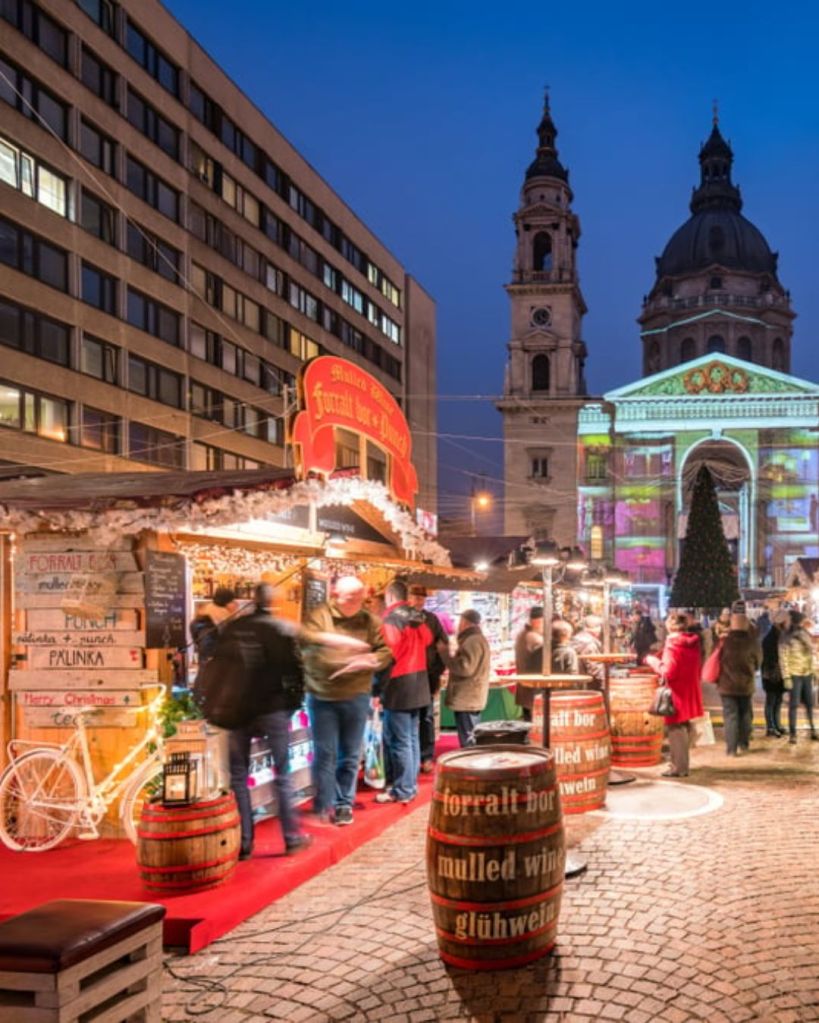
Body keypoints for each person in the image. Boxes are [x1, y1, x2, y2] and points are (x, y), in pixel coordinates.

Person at [218, 583, 311, 859]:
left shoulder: (232, 628)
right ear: (273, 602)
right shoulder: (280, 630)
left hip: (238, 712)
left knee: (238, 776)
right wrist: (291, 706)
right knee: (282, 774)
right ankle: (291, 838)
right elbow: (297, 671)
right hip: (273, 709)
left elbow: (216, 668)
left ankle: (244, 843)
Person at [301, 576, 392, 825]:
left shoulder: (370, 620)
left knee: (350, 754)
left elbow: (385, 650)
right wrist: (332, 641)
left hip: (356, 694)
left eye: (359, 597)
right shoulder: (319, 616)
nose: (355, 602)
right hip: (322, 694)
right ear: (335, 593)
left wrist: (371, 660)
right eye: (350, 597)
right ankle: (322, 803)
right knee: (325, 753)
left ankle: (343, 804)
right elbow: (304, 638)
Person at [374, 579, 433, 804]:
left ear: (390, 596)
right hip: (419, 682)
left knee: (399, 741)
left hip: (398, 684)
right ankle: (411, 784)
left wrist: (377, 689)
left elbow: (388, 655)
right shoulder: (418, 617)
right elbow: (428, 640)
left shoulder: (391, 618)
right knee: (410, 738)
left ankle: (403, 789)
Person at [646, 612, 704, 776]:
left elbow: (668, 671)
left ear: (670, 625)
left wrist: (652, 661)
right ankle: (681, 765)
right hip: (689, 688)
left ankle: (679, 768)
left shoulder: (673, 643)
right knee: (683, 727)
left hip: (675, 691)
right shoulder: (691, 641)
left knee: (675, 729)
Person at [408, 584, 448, 773]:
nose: (418, 601)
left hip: (426, 676)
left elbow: (443, 645)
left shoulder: (431, 619)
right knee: (407, 719)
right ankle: (409, 759)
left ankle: (425, 757)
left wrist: (437, 673)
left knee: (426, 718)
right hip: (406, 677)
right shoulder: (400, 619)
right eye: (415, 597)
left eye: (421, 598)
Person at [441, 609, 491, 747]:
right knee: (470, 735)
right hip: (470, 697)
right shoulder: (474, 639)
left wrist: (446, 656)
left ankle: (471, 765)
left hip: (467, 697)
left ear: (465, 622)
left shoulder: (472, 641)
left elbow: (465, 668)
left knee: (469, 739)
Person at [715, 612, 761, 756]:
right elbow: (758, 663)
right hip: (746, 685)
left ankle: (731, 749)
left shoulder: (724, 641)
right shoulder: (752, 643)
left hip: (726, 686)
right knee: (746, 714)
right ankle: (744, 744)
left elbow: (715, 660)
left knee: (730, 716)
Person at [190, 587, 239, 697]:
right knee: (208, 683)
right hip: (213, 658)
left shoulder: (205, 613)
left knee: (203, 678)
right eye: (231, 600)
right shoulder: (221, 616)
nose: (234, 603)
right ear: (226, 602)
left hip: (207, 657)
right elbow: (230, 635)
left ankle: (199, 701)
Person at [779, 610, 817, 745]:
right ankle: (793, 734)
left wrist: (815, 672)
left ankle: (813, 730)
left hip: (806, 674)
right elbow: (783, 658)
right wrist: (786, 677)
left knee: (809, 704)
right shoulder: (786, 637)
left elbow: (811, 654)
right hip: (794, 675)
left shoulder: (805, 635)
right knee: (793, 705)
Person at [514, 606, 545, 722]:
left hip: (526, 689)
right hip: (534, 690)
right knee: (535, 726)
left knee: (529, 723)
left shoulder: (522, 634)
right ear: (537, 622)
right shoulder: (534, 638)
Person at [761, 612, 787, 737]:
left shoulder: (780, 636)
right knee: (771, 701)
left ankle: (777, 725)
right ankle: (770, 727)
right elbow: (769, 659)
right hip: (771, 675)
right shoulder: (770, 639)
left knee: (778, 701)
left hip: (779, 674)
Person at [572, 615, 605, 685]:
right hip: (587, 685)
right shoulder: (589, 644)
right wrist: (603, 685)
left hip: (576, 683)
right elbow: (595, 669)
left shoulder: (576, 639)